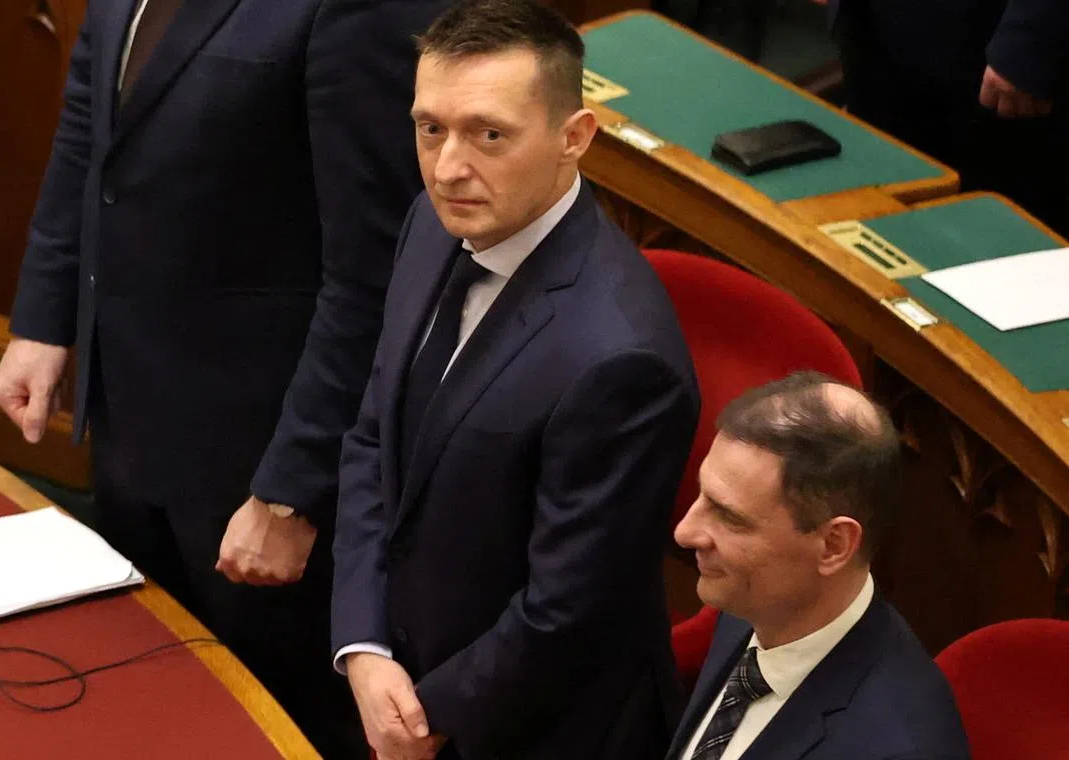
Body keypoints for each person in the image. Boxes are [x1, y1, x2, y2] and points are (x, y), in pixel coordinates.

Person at [0, 0, 450, 755]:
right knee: (154, 693)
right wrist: (45, 317)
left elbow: (374, 274)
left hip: (257, 457)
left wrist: (293, 490)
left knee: (269, 723)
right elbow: (91, 130)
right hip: (131, 413)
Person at [330, 1, 701, 757]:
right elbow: (375, 439)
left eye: (489, 134)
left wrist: (425, 719)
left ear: (576, 139)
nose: (447, 166)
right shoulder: (433, 225)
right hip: (395, 682)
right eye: (430, 127)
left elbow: (565, 614)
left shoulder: (622, 359)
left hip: (528, 729)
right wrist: (362, 646)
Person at [666, 372, 970, 760]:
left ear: (833, 545)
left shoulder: (898, 747)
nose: (685, 532)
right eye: (702, 495)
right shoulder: (757, 601)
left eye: (729, 517)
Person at [830, 0, 1069, 235]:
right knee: (886, 229)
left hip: (991, 51)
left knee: (1005, 239)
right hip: (877, 38)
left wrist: (1032, 36)